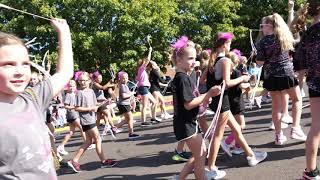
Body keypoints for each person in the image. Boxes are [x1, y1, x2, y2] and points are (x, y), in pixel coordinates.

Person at [0, 18, 73, 179]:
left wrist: (64, 33)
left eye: (25, 64)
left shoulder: (33, 98)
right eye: (8, 64)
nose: (19, 71)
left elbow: (64, 73)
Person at [206, 32, 267, 179]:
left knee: (237, 129)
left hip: (218, 100)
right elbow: (227, 83)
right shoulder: (225, 60)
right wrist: (242, 78)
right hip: (222, 101)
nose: (230, 46)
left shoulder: (212, 61)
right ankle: (210, 168)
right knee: (217, 136)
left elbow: (204, 80)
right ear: (224, 44)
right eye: (230, 43)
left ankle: (251, 155)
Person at [171, 36, 221, 180]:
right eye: (190, 58)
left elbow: (190, 102)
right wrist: (208, 94)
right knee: (200, 156)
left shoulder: (183, 76)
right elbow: (188, 104)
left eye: (195, 58)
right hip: (186, 124)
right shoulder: (182, 78)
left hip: (187, 122)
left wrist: (204, 99)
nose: (194, 62)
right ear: (179, 60)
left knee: (200, 153)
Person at [256, 13, 306, 145]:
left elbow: (260, 62)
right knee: (296, 99)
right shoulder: (284, 37)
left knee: (276, 108)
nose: (262, 28)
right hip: (287, 73)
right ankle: (295, 127)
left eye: (263, 25)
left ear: (270, 26)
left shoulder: (262, 42)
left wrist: (258, 58)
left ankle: (279, 136)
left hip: (271, 76)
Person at [291, 0, 320, 178]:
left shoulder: (307, 33)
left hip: (315, 83)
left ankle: (311, 171)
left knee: (316, 127)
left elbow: (299, 65)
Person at [67, 71, 117, 173]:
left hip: (91, 118)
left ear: (89, 81)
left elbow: (95, 104)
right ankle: (103, 161)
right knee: (98, 139)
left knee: (88, 141)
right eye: (81, 81)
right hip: (86, 120)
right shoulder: (79, 93)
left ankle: (74, 160)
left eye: (85, 80)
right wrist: (90, 109)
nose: (83, 82)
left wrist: (104, 102)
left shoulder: (91, 91)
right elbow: (77, 108)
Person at [57, 79, 86, 155]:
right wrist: (73, 107)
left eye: (73, 86)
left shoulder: (74, 94)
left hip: (73, 114)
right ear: (68, 87)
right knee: (82, 128)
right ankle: (87, 143)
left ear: (75, 86)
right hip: (72, 114)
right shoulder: (68, 95)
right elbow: (65, 106)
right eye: (70, 86)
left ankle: (61, 146)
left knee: (71, 132)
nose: (72, 87)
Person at [135, 47, 160, 126]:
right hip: (143, 88)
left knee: (155, 102)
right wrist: (150, 51)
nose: (146, 63)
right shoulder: (141, 69)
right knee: (145, 105)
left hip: (145, 88)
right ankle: (143, 122)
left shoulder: (141, 71)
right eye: (144, 62)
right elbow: (148, 60)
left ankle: (153, 118)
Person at [116, 71, 140, 139]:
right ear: (120, 79)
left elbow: (128, 95)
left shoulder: (124, 85)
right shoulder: (123, 85)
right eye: (123, 78)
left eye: (126, 78)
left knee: (127, 119)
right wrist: (132, 93)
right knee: (130, 118)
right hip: (124, 104)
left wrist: (133, 97)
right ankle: (131, 134)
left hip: (124, 104)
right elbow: (124, 96)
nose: (125, 79)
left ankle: (115, 128)